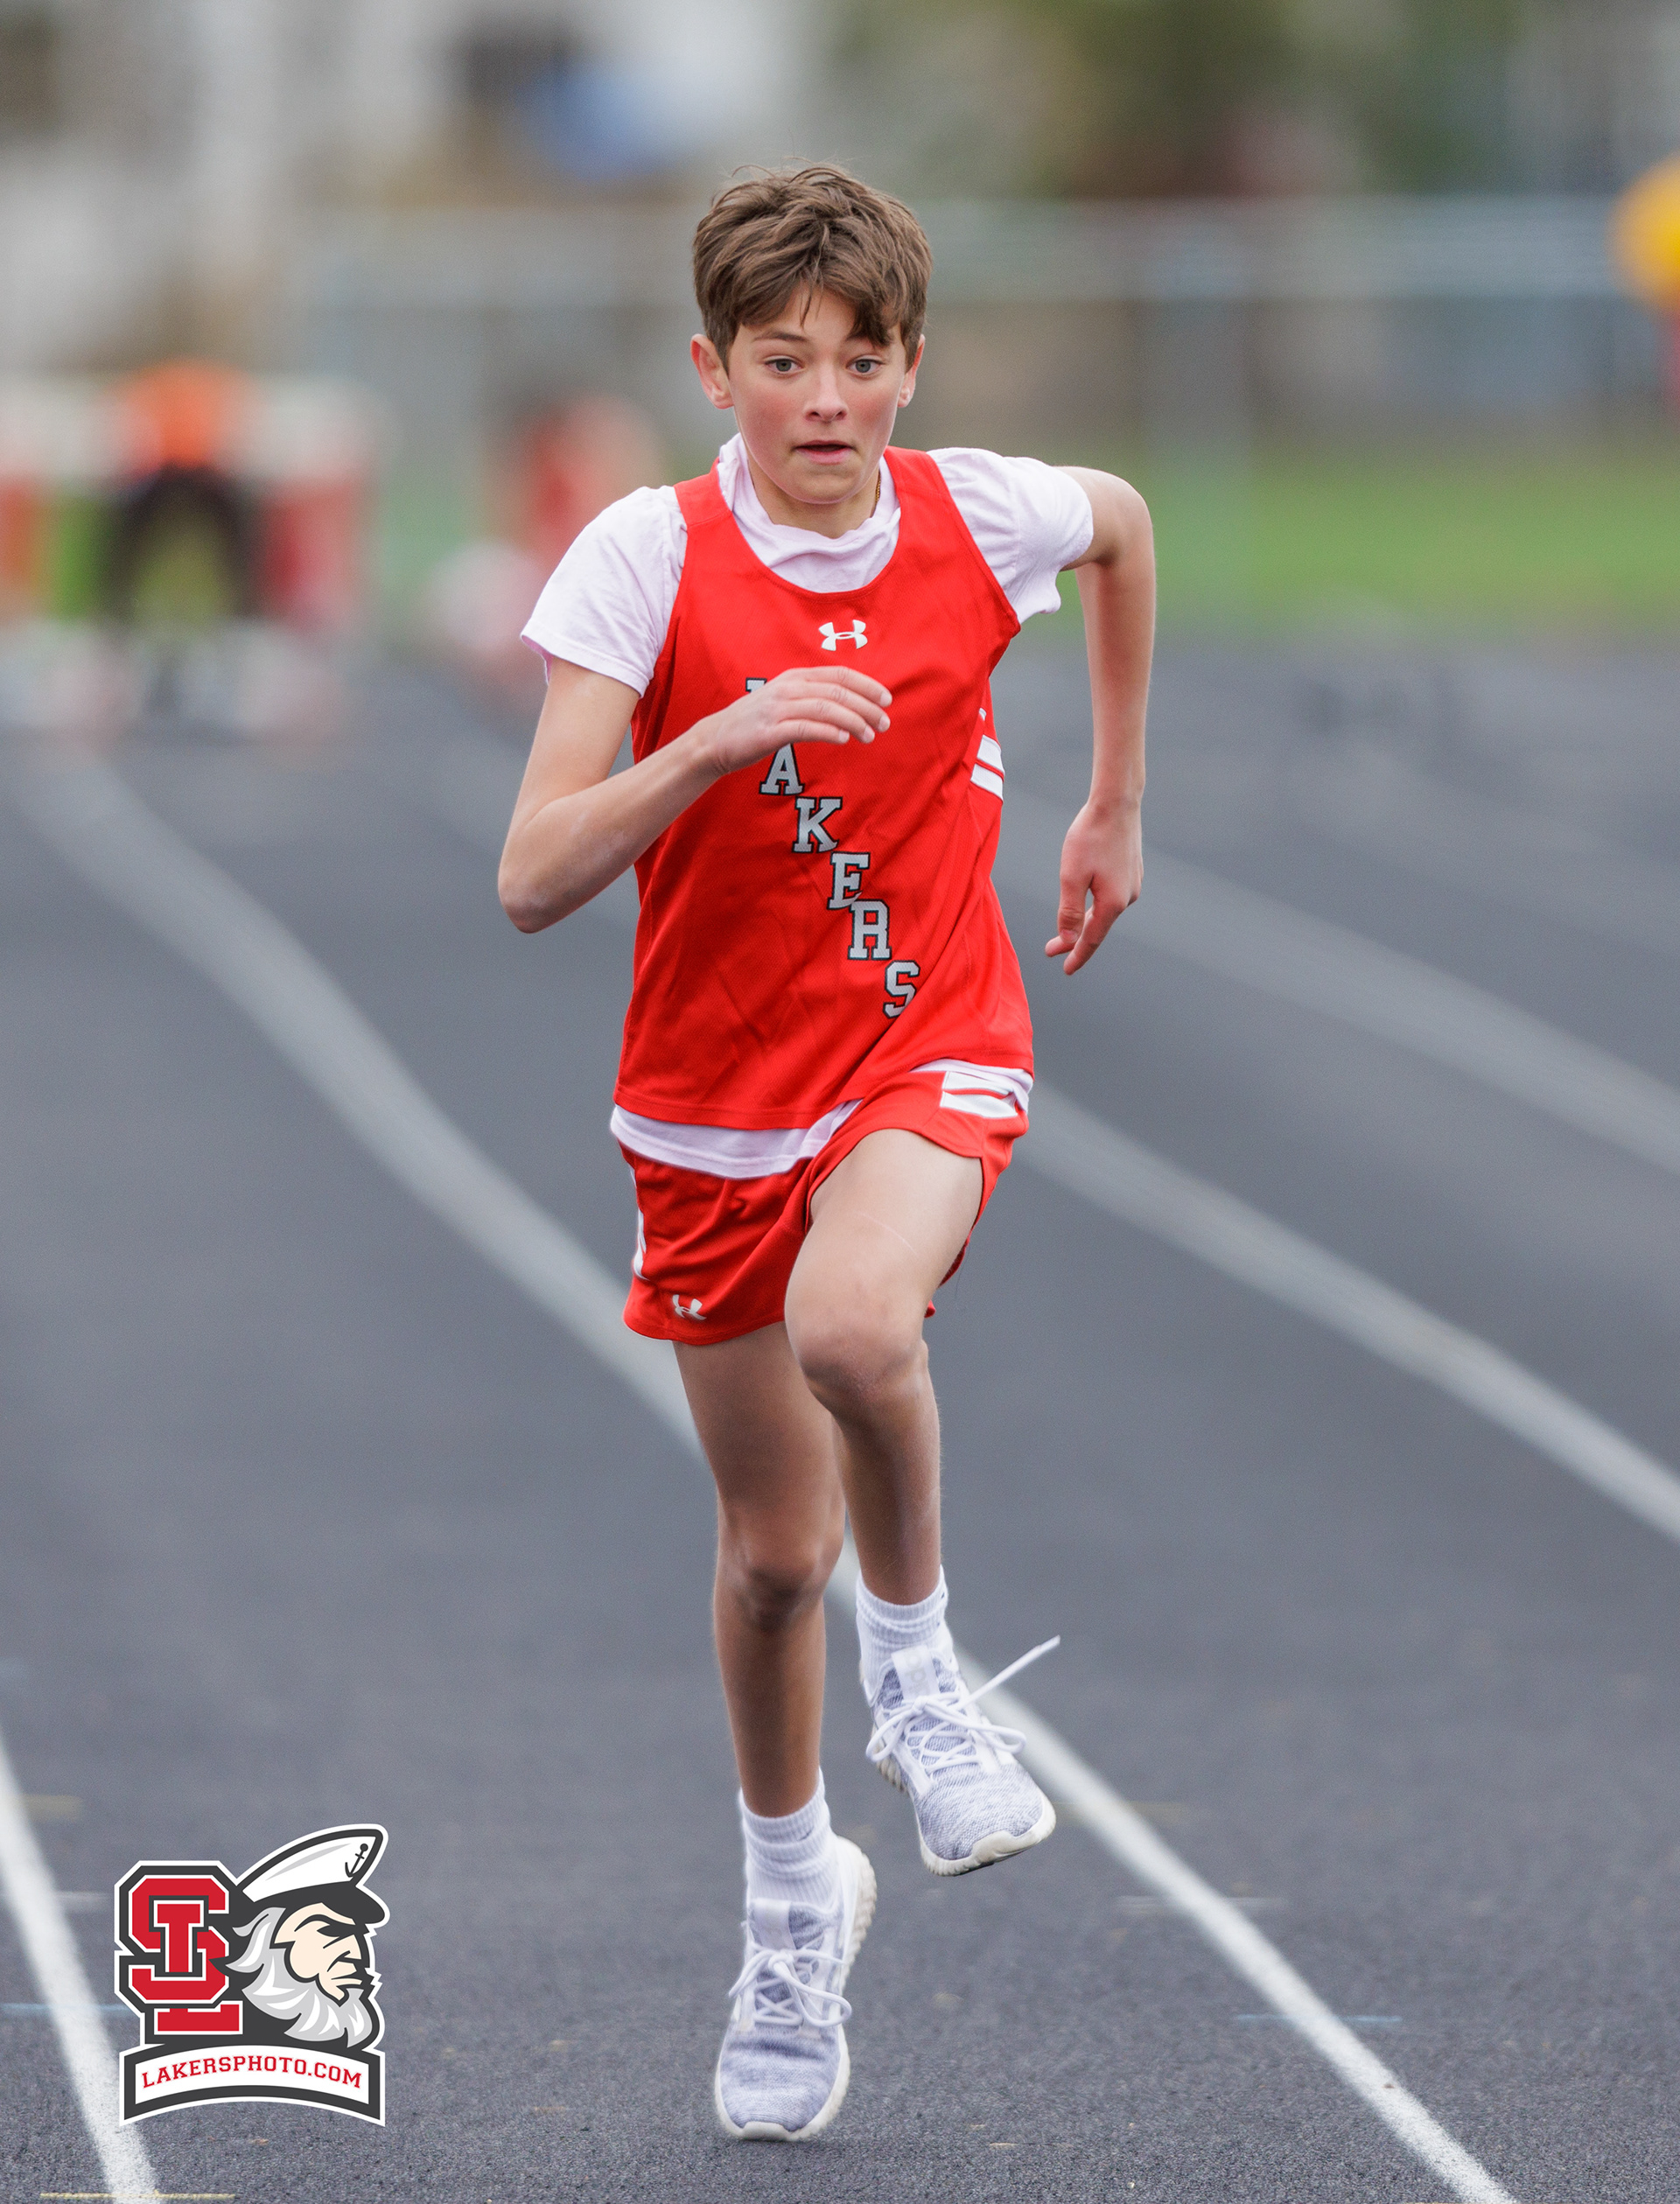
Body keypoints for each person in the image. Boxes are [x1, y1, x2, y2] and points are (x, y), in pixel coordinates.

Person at [500, 164, 1153, 2143]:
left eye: (860, 362)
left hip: (929, 1040)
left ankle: (927, 1684)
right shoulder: (644, 556)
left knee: (860, 1329)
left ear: (910, 366)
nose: (825, 400)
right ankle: (795, 1910)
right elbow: (531, 874)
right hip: (709, 1102)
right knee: (775, 1562)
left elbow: (1125, 526)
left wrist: (1113, 800)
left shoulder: (980, 515)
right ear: (715, 371)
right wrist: (717, 735)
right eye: (783, 363)